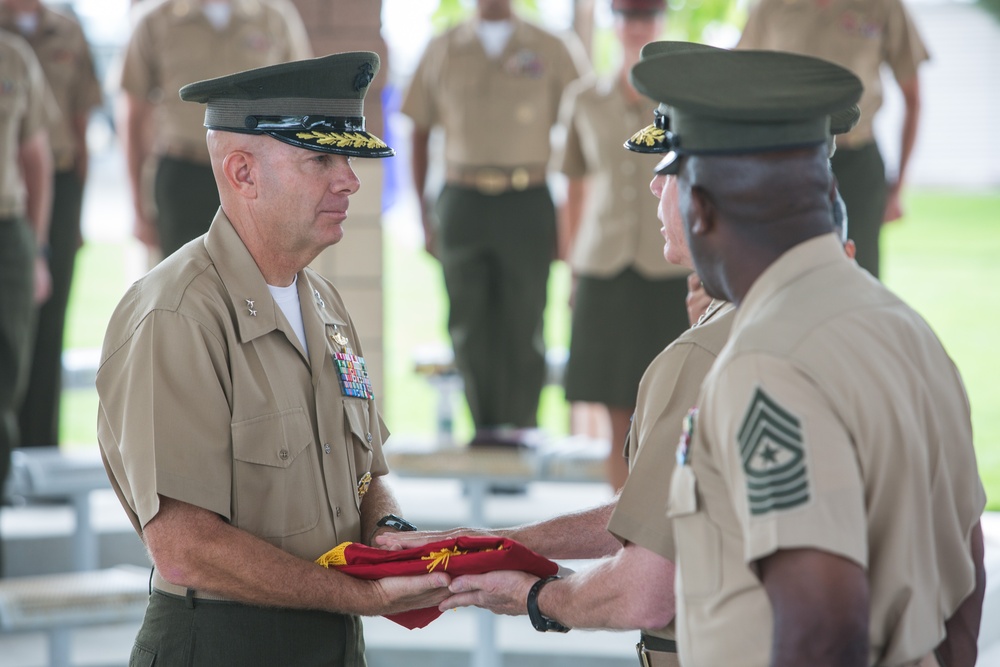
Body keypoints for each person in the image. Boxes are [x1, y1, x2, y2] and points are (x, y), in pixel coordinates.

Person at [382, 47, 861, 667]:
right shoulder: (887, 329)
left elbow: (644, 593)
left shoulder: (709, 351)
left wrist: (535, 596)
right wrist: (501, 541)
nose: (656, 185)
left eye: (672, 170)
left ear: (713, 196)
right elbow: (660, 512)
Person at [628, 47, 986, 666]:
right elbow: (964, 574)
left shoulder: (763, 363)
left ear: (703, 209)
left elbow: (821, 627)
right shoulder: (905, 329)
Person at [95, 52, 451, 664]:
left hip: (331, 639)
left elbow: (367, 474)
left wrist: (388, 533)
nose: (350, 180)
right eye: (321, 159)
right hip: (221, 643)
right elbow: (185, 546)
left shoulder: (326, 304)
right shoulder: (176, 314)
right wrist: (359, 595)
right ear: (242, 172)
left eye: (347, 158)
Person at [400, 0, 589, 445]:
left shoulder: (551, 46)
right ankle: (485, 432)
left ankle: (522, 430)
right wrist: (423, 213)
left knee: (525, 320)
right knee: (468, 322)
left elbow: (586, 123)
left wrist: (573, 215)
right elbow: (419, 131)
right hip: (462, 200)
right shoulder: (443, 48)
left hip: (528, 198)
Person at [557, 0, 690, 490]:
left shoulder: (684, 98)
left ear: (662, 22)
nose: (638, 26)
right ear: (616, 23)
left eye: (648, 16)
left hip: (668, 269)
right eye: (629, 17)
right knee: (615, 412)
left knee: (673, 405)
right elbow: (573, 189)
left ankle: (665, 522)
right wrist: (572, 271)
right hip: (603, 266)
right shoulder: (583, 99)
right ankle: (622, 533)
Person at [736, 0, 929, 279]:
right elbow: (742, 81)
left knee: (859, 275)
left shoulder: (884, 6)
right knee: (784, 275)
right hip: (786, 162)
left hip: (858, 161)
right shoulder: (769, 7)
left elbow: (913, 98)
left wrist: (898, 188)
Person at [116, 0, 312, 259]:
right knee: (182, 284)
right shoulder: (154, 20)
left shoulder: (274, 15)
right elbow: (133, 117)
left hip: (258, 175)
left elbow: (302, 102)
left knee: (255, 282)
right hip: (183, 173)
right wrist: (138, 209)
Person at [1, 0, 103, 448]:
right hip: (12, 182)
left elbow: (82, 121)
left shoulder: (67, 31)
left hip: (54, 181)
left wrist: (77, 209)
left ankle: (40, 444)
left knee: (49, 313)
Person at [0, 27, 52, 574]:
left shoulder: (13, 56)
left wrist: (36, 251)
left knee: (4, 381)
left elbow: (34, 157)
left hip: (7, 230)